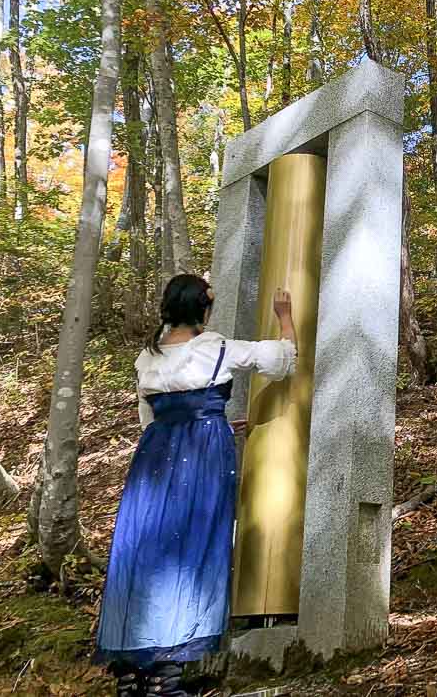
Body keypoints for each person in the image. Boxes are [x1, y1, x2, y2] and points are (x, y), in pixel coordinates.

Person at [94, 273, 298, 697]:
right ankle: (167, 675)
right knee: (195, 548)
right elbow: (282, 359)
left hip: (154, 458)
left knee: (146, 552)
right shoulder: (215, 347)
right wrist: (285, 317)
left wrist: (209, 422)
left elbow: (150, 420)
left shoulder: (146, 359)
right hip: (203, 457)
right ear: (202, 310)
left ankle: (133, 673)